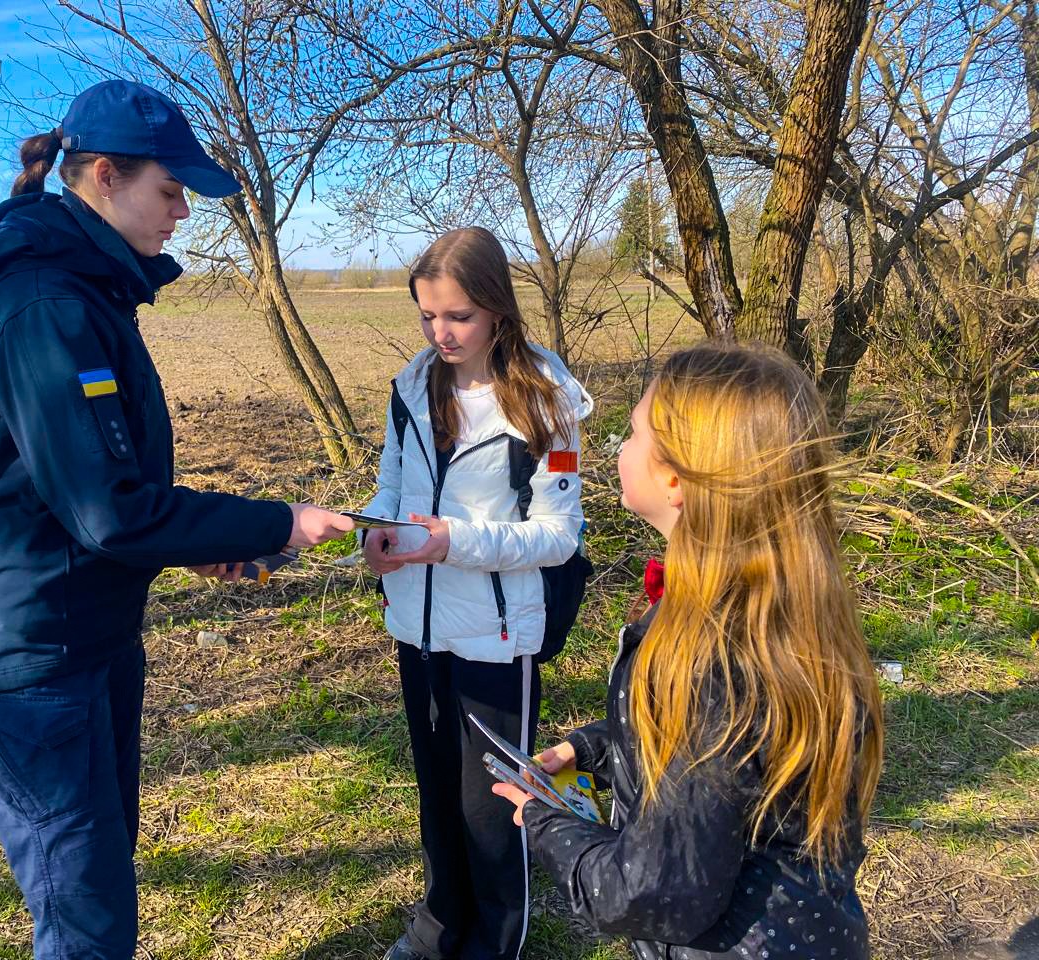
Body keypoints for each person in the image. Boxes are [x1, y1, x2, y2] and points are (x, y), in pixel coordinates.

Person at [0, 79, 353, 959]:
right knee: (84, 916)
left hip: (89, 632)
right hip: (34, 658)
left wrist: (186, 550)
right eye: (171, 192)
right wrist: (277, 522)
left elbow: (91, 497)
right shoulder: (47, 308)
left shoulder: (88, 297)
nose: (182, 215)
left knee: (98, 877)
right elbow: (107, 511)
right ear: (104, 177)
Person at [492, 343, 885, 960]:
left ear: (674, 479)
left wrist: (547, 823)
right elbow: (725, 754)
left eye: (631, 434)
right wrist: (592, 747)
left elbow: (656, 891)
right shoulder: (775, 607)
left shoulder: (709, 657)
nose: (619, 449)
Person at [360, 227, 593, 960]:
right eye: (427, 316)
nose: (441, 333)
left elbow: (558, 536)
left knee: (492, 810)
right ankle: (437, 930)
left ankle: (494, 943)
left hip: (499, 636)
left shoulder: (545, 404)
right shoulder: (412, 384)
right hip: (417, 627)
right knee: (437, 799)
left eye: (457, 315)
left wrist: (452, 541)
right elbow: (392, 485)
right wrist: (379, 532)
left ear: (496, 307)